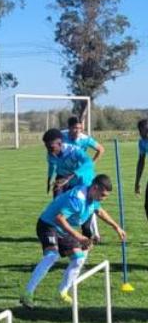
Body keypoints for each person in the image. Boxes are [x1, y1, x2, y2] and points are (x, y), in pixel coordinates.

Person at [21, 174, 126, 308]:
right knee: (52, 256)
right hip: (48, 224)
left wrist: (116, 227)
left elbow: (99, 211)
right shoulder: (77, 199)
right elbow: (59, 218)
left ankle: (62, 292)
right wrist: (79, 236)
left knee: (78, 258)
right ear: (95, 188)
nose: (103, 198)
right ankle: (27, 293)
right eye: (103, 195)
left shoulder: (92, 195)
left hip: (63, 229)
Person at [134, 119, 148, 221]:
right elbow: (141, 162)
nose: (140, 133)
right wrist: (137, 182)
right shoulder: (142, 142)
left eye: (142, 130)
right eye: (139, 130)